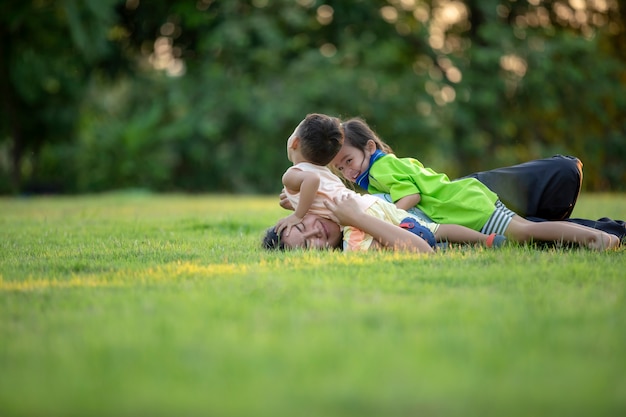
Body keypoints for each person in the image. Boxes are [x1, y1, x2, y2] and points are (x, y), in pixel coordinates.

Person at [331, 117, 620, 251]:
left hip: (465, 208)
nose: (347, 171)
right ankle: (599, 235)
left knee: (527, 231)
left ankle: (596, 238)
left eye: (348, 160)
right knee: (526, 231)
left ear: (369, 147)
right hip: (465, 201)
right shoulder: (385, 167)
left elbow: (412, 197)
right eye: (340, 167)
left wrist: (391, 217)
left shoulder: (381, 168)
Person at [268, 113, 506, 252]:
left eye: (302, 226)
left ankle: (491, 238)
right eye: (311, 243)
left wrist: (298, 210)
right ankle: (489, 241)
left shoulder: (310, 189)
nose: (314, 230)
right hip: (444, 215)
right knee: (438, 232)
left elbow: (310, 185)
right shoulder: (349, 225)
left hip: (461, 202)